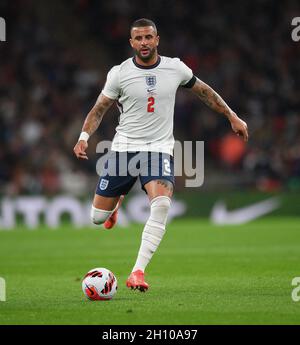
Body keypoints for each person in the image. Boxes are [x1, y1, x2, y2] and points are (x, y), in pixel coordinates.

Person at [73, 18, 248, 292]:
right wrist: (84, 137)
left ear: (157, 39)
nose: (144, 43)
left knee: (162, 205)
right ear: (131, 43)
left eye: (148, 37)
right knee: (96, 217)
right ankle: (114, 206)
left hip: (158, 149)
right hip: (124, 149)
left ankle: (137, 272)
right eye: (138, 38)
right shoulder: (119, 73)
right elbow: (99, 109)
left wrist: (232, 116)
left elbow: (204, 92)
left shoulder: (175, 67)